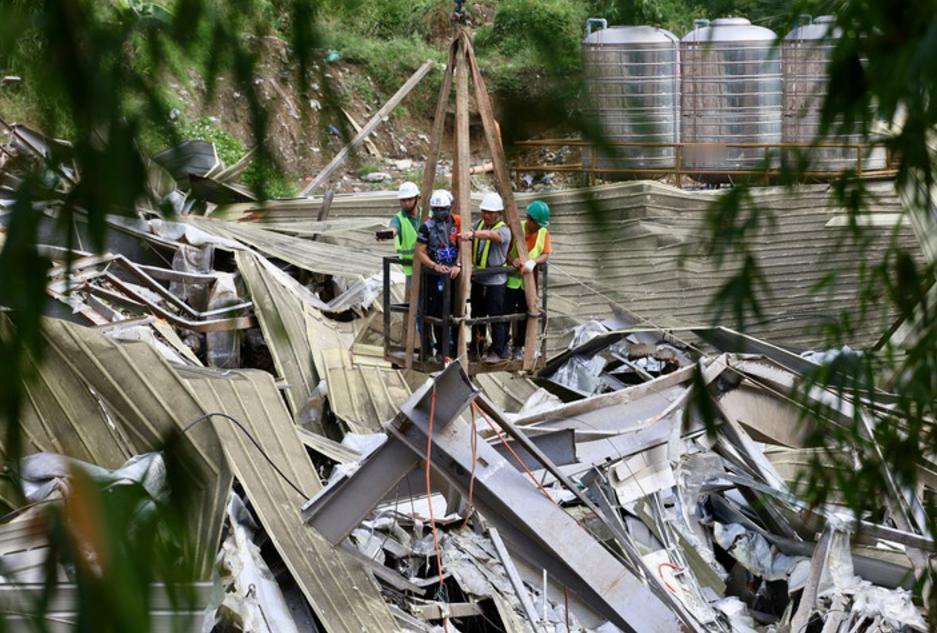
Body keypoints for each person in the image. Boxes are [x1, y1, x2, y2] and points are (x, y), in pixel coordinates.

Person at [460, 191, 511, 363]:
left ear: (498, 213)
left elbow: (493, 237)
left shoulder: (503, 230)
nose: (486, 215)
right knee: (477, 315)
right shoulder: (479, 224)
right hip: (479, 279)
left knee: (496, 316)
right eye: (484, 212)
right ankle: (476, 348)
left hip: (495, 281)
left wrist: (473, 234)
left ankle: (498, 350)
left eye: (490, 212)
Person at [415, 189, 461, 359]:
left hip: (454, 275)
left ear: (449, 208)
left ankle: (455, 347)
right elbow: (419, 252)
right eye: (437, 209)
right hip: (434, 277)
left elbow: (464, 245)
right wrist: (434, 266)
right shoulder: (426, 227)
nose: (440, 213)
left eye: (443, 209)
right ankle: (441, 349)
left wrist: (458, 264)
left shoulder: (456, 224)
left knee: (456, 311)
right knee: (435, 312)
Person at [506, 199, 552, 359]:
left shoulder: (543, 233)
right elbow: (504, 251)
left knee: (526, 313)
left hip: (529, 283)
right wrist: (512, 261)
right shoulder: (515, 229)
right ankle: (503, 345)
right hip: (511, 281)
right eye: (537, 224)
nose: (539, 228)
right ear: (529, 219)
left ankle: (519, 347)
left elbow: (546, 254)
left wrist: (534, 261)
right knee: (506, 312)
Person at [381, 181, 421, 291]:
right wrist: (387, 234)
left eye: (409, 199)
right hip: (411, 268)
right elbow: (394, 228)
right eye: (403, 200)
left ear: (417, 198)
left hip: (430, 265)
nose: (406, 203)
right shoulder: (398, 218)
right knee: (416, 304)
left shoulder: (428, 214)